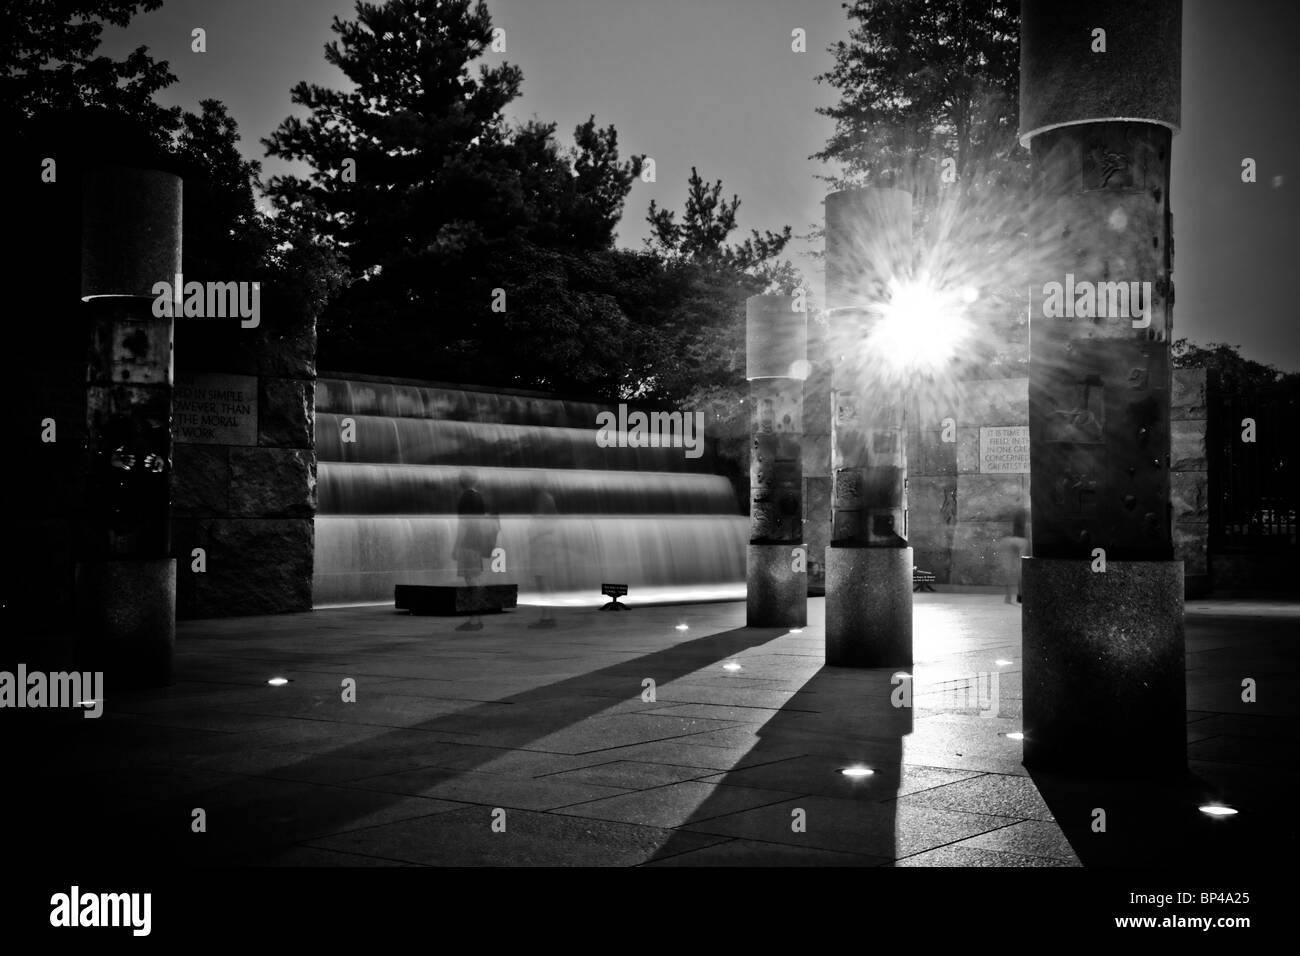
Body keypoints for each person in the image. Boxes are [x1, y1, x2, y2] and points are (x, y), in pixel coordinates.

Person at [453, 470, 492, 631]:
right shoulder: (479, 497)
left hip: (468, 544)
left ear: (461, 481)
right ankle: (477, 618)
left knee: (471, 581)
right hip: (477, 543)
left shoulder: (465, 498)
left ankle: (474, 620)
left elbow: (463, 524)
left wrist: (456, 546)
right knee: (475, 579)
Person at [527, 484, 559, 629]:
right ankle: (549, 615)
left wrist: (533, 536)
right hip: (547, 545)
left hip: (541, 546)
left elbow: (536, 529)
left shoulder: (542, 504)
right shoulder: (550, 505)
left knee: (542, 580)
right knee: (547, 579)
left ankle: (546, 617)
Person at [1000, 507, 1029, 604]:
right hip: (1021, 541)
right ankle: (1020, 596)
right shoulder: (1027, 516)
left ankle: (1008, 597)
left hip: (1009, 541)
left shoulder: (1012, 517)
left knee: (1008, 570)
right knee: (1020, 569)